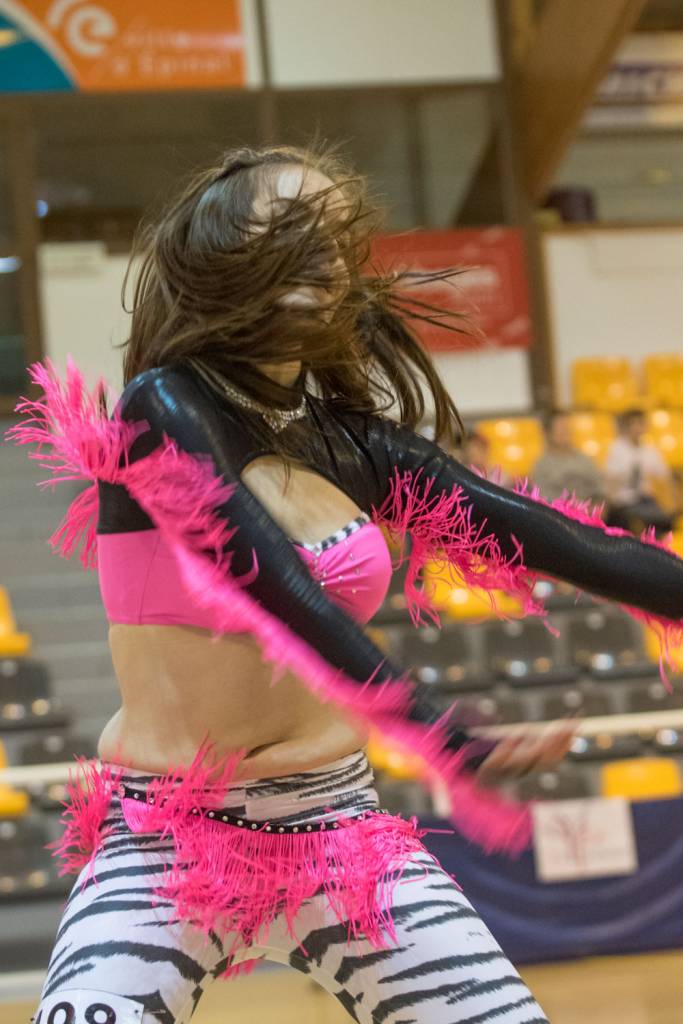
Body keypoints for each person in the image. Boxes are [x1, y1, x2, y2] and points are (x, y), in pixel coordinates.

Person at [9, 145, 683, 1024]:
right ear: (220, 253)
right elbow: (270, 580)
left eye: (335, 237)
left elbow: (572, 545)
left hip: (339, 830)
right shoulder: (161, 407)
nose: (324, 256)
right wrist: (433, 727)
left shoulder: (360, 447)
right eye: (292, 230)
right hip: (164, 839)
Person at [605, 408, 675, 534]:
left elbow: (664, 475)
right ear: (626, 427)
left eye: (640, 424)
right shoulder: (617, 449)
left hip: (645, 499)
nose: (637, 428)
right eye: (633, 424)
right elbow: (611, 481)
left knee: (666, 520)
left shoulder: (649, 449)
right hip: (624, 502)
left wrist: (673, 501)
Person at [533, 410, 605, 504]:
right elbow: (546, 498)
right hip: (562, 510)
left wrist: (598, 505)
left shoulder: (584, 459)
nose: (566, 432)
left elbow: (600, 489)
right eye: (561, 429)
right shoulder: (542, 466)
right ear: (549, 433)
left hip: (591, 508)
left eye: (567, 428)